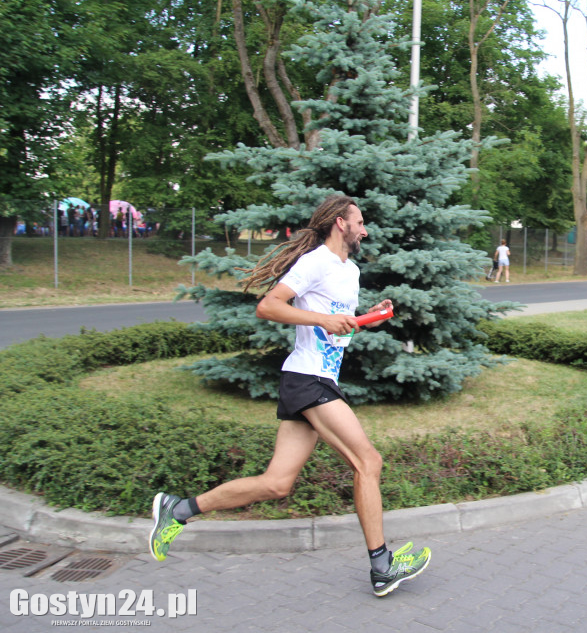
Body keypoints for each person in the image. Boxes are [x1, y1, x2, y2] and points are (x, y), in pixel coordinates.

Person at [148, 195, 431, 597]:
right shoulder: (314, 262)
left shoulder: (349, 271)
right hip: (307, 378)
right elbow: (269, 306)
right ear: (340, 223)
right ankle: (382, 566)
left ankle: (179, 509)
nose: (365, 230)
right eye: (360, 222)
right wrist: (323, 318)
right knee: (368, 461)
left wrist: (371, 317)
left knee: (277, 483)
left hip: (317, 378)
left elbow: (339, 327)